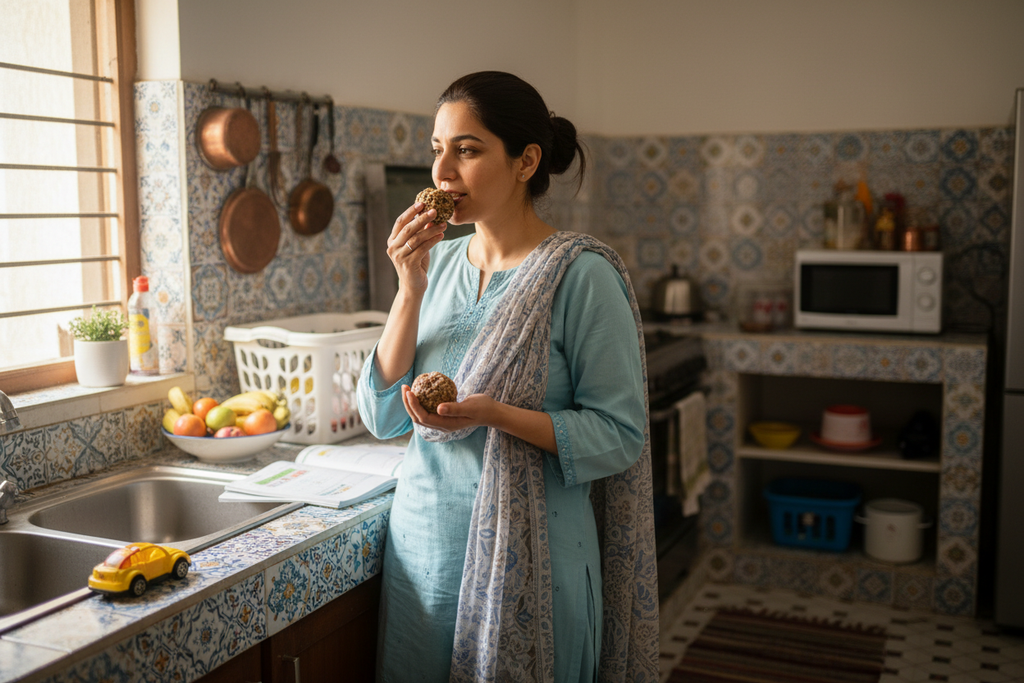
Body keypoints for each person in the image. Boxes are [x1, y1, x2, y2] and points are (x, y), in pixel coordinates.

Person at [356, 71, 658, 683]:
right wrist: (407, 290)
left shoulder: (581, 275)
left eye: (467, 150)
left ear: (526, 162)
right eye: (437, 149)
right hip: (424, 555)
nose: (443, 173)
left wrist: (497, 415)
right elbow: (382, 415)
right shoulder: (431, 266)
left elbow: (620, 434)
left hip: (538, 562)